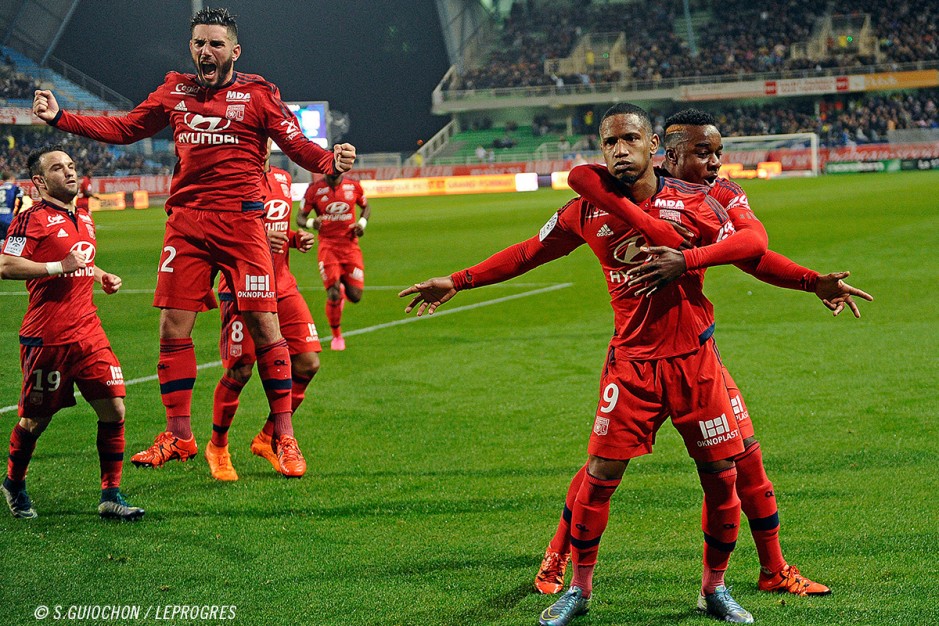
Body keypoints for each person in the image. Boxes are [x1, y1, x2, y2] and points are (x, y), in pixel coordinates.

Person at [401, 103, 769, 625]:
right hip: (632, 367)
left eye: (630, 140)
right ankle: (578, 588)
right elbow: (527, 252)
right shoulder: (586, 210)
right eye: (609, 143)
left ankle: (716, 588)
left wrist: (693, 261)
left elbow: (754, 248)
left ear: (652, 147)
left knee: (719, 476)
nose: (620, 151)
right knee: (598, 476)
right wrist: (458, 280)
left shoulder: (694, 201)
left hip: (694, 362)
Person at [533, 108, 872, 604]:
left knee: (745, 460)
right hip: (639, 357)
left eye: (718, 153)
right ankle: (559, 552)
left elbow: (752, 250)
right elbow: (583, 177)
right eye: (703, 154)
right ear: (667, 154)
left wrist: (808, 280)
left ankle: (772, 570)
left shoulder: (722, 194)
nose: (715, 164)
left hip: (699, 350)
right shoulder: (638, 183)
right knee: (602, 467)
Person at [32, 7, 356, 477]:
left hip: (243, 225)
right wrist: (62, 117)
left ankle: (284, 435)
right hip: (186, 224)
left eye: (216, 44)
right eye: (199, 43)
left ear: (234, 51)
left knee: (268, 330)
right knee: (172, 330)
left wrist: (331, 161)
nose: (206, 51)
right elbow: (126, 128)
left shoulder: (259, 95)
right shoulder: (174, 90)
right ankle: (180, 436)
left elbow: (298, 146)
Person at [0, 146, 143, 521]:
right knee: (35, 421)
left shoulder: (83, 214)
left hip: (89, 331)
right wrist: (57, 265)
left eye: (72, 165)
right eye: (58, 168)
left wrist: (100, 275)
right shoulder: (30, 220)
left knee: (114, 407)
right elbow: (6, 266)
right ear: (40, 181)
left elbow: (82, 259)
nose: (69, 172)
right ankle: (13, 483)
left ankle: (110, 495)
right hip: (47, 336)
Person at [210, 141, 321, 480]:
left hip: (282, 285)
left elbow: (274, 229)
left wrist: (289, 238)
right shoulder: (225, 181)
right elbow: (214, 233)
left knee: (308, 362)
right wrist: (262, 235)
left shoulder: (283, 179)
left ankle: (268, 438)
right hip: (240, 286)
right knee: (241, 370)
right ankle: (218, 447)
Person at [298, 171, 369, 351]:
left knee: (355, 296)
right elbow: (300, 218)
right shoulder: (314, 190)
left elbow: (366, 208)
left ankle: (342, 289)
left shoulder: (354, 186)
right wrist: (311, 223)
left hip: (350, 247)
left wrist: (361, 224)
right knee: (333, 293)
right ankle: (336, 336)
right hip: (328, 247)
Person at [0, 170, 24, 241]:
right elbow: (19, 201)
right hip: (8, 219)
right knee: (8, 242)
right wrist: (15, 214)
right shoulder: (16, 189)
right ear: (12, 178)